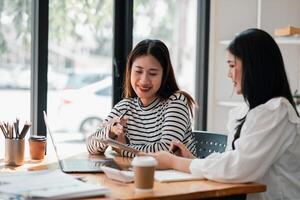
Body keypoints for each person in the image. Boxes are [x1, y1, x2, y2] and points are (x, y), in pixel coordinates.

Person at [151, 28, 300, 200]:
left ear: (253, 66)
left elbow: (238, 168)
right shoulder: (252, 112)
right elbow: (231, 160)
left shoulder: (276, 112)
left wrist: (175, 162)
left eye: (232, 65)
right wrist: (193, 159)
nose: (228, 74)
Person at [86, 39, 196, 157]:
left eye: (153, 73)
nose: (144, 80)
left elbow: (165, 151)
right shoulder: (126, 106)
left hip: (179, 175)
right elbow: (91, 146)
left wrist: (122, 149)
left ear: (164, 75)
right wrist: (110, 132)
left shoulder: (176, 102)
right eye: (138, 71)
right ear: (130, 71)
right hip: (142, 174)